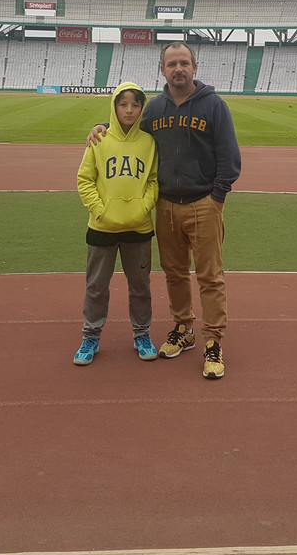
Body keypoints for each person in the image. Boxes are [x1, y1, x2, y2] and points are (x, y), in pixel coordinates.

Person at [89, 42, 241, 379]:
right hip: (166, 205)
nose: (178, 69)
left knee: (210, 277)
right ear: (162, 70)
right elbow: (124, 126)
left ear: (195, 67)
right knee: (174, 273)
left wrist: (217, 197)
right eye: (171, 64)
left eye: (184, 63)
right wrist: (100, 126)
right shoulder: (154, 110)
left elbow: (230, 159)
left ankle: (213, 341)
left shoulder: (214, 106)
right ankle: (183, 329)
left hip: (204, 203)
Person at [74, 82, 160, 366]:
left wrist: (144, 206)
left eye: (135, 105)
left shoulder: (149, 142)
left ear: (141, 108)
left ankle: (142, 334)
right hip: (102, 227)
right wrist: (99, 210)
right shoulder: (99, 140)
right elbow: (84, 179)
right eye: (123, 104)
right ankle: (91, 337)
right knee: (96, 286)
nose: (129, 110)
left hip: (138, 227)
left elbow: (153, 180)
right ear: (114, 106)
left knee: (140, 286)